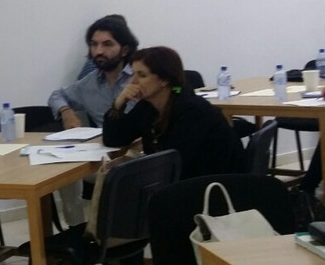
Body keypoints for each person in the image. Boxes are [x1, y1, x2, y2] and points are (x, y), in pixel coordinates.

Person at [47, 16, 140, 225]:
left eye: (107, 44)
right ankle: (77, 228)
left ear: (124, 49)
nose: (99, 51)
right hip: (104, 154)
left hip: (140, 155)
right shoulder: (88, 83)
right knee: (63, 169)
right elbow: (56, 95)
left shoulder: (139, 77)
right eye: (94, 44)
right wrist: (66, 111)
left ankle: (120, 231)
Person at [103, 46, 244, 180]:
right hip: (182, 181)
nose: (133, 82)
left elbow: (176, 164)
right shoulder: (148, 106)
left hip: (213, 185)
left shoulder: (192, 111)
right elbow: (114, 138)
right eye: (133, 74)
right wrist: (118, 104)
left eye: (142, 75)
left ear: (164, 79)